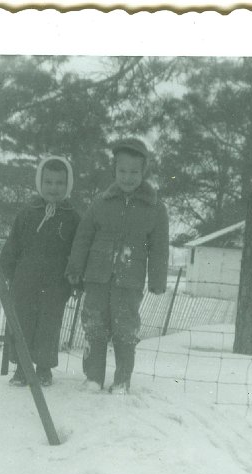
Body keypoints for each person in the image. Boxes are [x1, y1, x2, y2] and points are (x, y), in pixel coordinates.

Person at [65, 138, 169, 394]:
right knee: (95, 328)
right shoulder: (101, 202)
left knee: (125, 331)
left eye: (134, 172)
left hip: (129, 281)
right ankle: (93, 378)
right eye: (122, 171)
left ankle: (122, 381)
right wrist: (75, 268)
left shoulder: (154, 208)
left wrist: (157, 279)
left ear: (144, 172)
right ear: (115, 170)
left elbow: (159, 247)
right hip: (97, 278)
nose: (128, 177)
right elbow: (83, 237)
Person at [0, 155, 80, 386]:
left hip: (56, 284)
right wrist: (7, 271)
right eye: (49, 182)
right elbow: (13, 244)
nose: (54, 188)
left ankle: (44, 369)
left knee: (49, 325)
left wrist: (76, 278)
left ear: (68, 185)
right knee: (22, 322)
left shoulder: (73, 217)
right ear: (40, 183)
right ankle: (22, 369)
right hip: (25, 281)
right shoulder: (28, 212)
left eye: (60, 183)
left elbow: (78, 249)